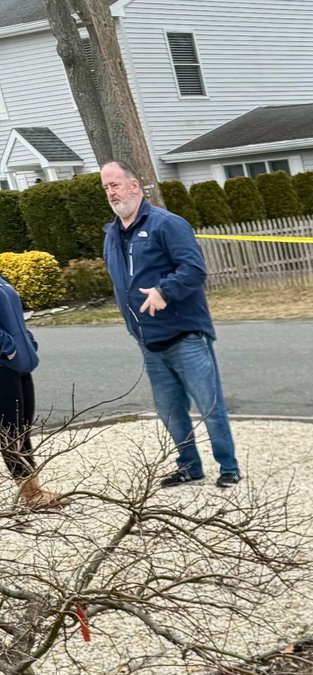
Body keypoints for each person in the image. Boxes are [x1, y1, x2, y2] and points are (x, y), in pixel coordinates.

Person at [100, 159, 240, 488]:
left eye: (115, 185)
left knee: (210, 406)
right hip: (149, 342)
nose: (111, 193)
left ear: (134, 186)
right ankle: (189, 466)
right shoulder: (112, 235)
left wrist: (165, 291)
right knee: (171, 412)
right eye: (106, 188)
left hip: (185, 337)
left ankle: (228, 467)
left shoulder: (166, 224)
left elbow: (193, 269)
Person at [0, 271, 66, 511]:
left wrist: (27, 341)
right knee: (9, 432)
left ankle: (34, 489)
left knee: (22, 428)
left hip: (18, 362)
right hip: (3, 363)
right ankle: (30, 494)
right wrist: (8, 348)